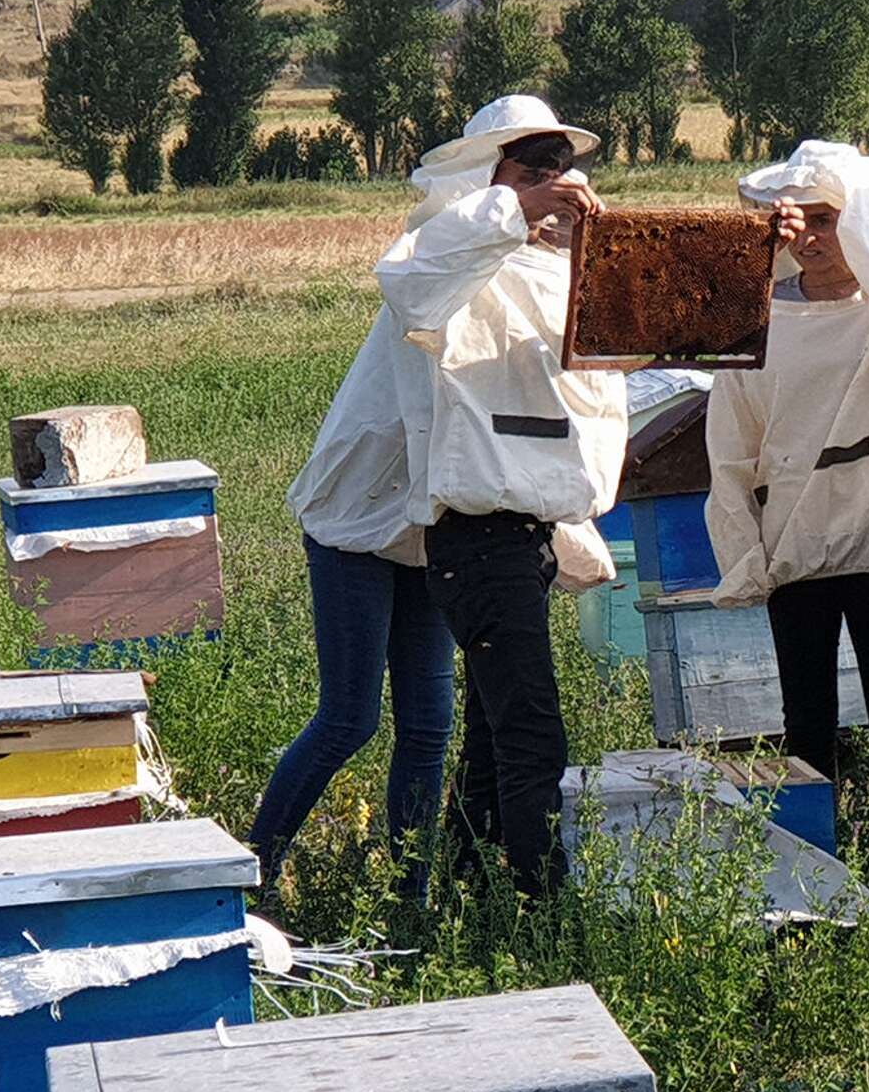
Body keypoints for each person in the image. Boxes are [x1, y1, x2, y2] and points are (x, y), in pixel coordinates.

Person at [379, 95, 625, 897]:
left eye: (561, 170)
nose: (555, 186)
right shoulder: (442, 255)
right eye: (532, 171)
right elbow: (417, 287)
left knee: (493, 737)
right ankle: (537, 913)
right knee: (533, 737)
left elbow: (648, 340)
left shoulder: (555, 271)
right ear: (487, 177)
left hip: (528, 537)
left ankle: (466, 892)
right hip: (476, 538)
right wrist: (512, 211)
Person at [706, 140, 869, 846]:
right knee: (806, 719)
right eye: (805, 224)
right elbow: (731, 448)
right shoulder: (758, 319)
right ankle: (810, 860)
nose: (815, 240)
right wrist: (743, 552)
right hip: (797, 537)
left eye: (831, 221)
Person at [260, 168, 467, 900]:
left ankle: (410, 898)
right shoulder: (435, 259)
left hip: (429, 521)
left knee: (429, 724)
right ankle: (250, 873)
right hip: (358, 517)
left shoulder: (529, 275)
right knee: (350, 717)